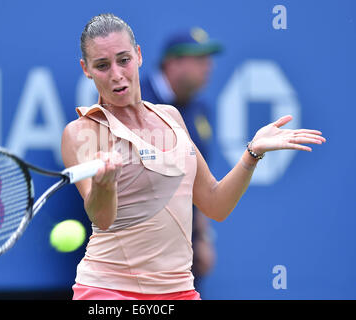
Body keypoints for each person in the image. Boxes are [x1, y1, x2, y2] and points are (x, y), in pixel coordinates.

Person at [61, 13, 325, 300]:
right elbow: (102, 218)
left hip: (180, 291)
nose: (116, 74)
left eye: (123, 59)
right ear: (86, 69)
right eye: (102, 65)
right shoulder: (81, 132)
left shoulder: (172, 116)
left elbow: (215, 204)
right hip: (110, 291)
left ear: (138, 55)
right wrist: (104, 184)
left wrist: (252, 154)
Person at [140, 27, 223, 285]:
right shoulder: (135, 101)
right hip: (138, 246)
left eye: (209, 59)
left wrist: (202, 238)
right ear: (172, 63)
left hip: (183, 247)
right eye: (198, 59)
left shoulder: (201, 111)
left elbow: (198, 181)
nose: (208, 67)